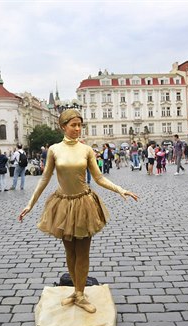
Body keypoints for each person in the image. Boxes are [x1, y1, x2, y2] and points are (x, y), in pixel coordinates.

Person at [18, 109, 138, 313]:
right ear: (62, 126)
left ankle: (81, 294)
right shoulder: (54, 150)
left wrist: (120, 189)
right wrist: (30, 204)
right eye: (73, 125)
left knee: (83, 252)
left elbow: (99, 178)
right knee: (69, 251)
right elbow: (45, 178)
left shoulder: (86, 150)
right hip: (63, 204)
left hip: (83, 204)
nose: (77, 129)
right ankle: (76, 290)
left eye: (79, 125)